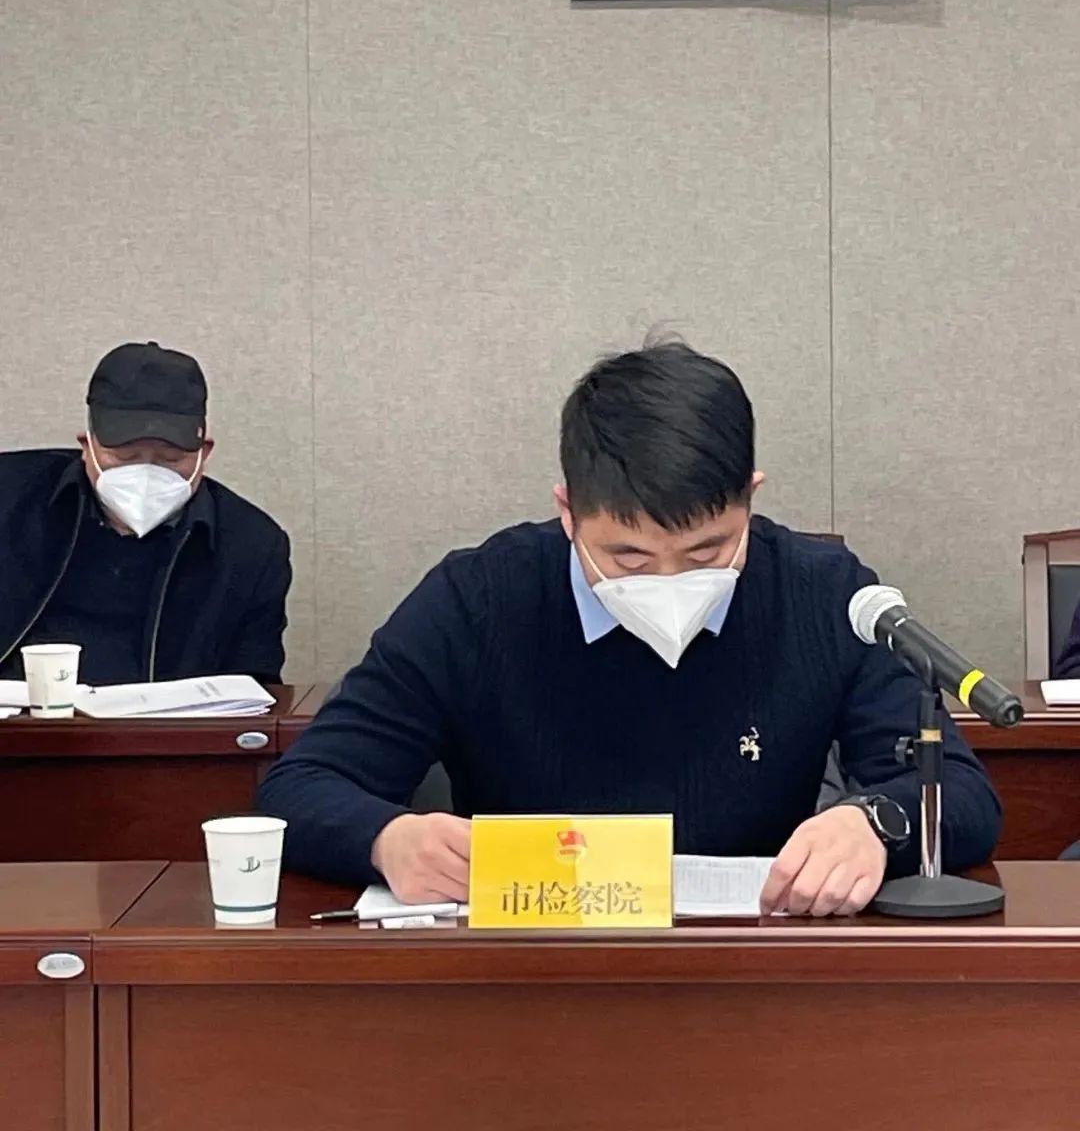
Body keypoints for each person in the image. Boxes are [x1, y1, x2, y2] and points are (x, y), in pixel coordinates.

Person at [259, 333, 1000, 915]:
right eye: (629, 557)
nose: (669, 583)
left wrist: (874, 822)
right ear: (567, 511)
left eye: (707, 551)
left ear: (751, 496)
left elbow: (965, 796)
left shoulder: (822, 594)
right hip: (528, 967)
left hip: (749, 962)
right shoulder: (478, 599)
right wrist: (387, 839)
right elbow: (303, 783)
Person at [0, 341, 291, 685]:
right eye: (125, 457)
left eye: (171, 459)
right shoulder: (11, 496)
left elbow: (255, 688)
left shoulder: (252, 546)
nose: (146, 473)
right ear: (87, 445)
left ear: (204, 453)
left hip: (168, 719)